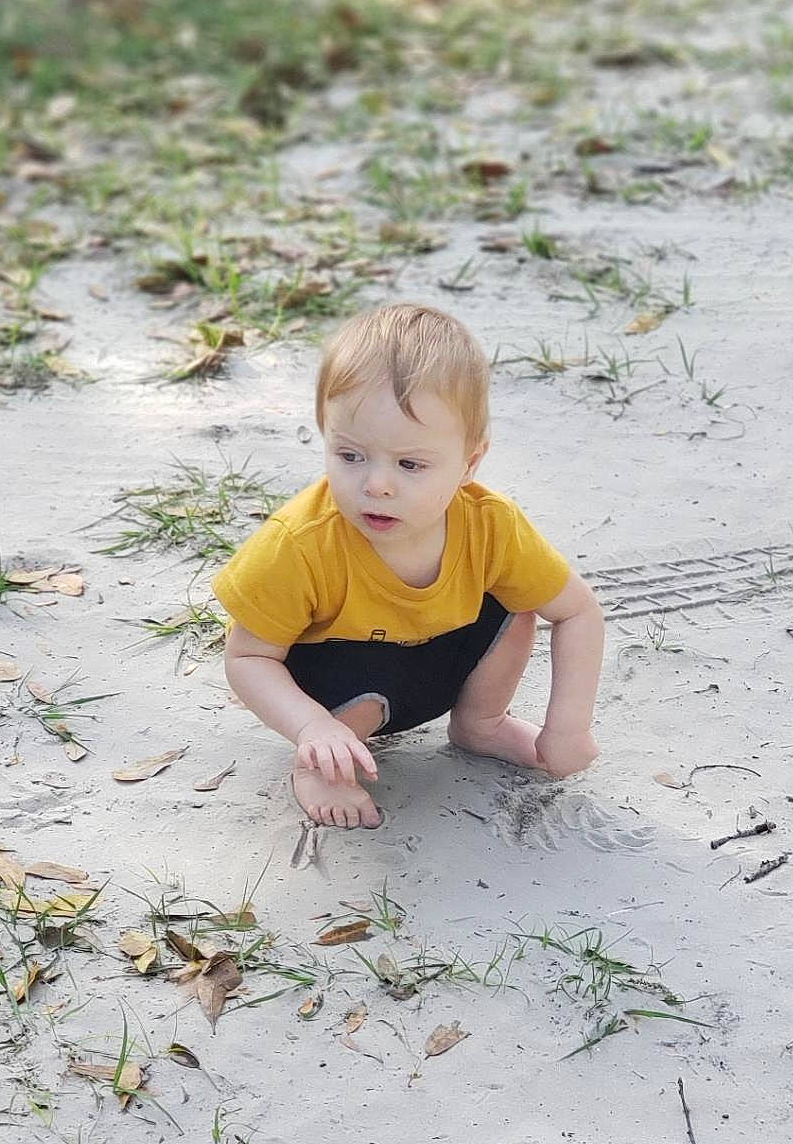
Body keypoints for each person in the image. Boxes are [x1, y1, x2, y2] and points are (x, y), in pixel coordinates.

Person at [212, 302, 604, 830]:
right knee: (363, 688)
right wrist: (310, 728)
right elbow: (249, 658)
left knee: (517, 607)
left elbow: (578, 613)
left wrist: (568, 727)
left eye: (410, 464)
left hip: (440, 658)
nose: (376, 484)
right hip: (341, 684)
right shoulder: (301, 542)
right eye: (350, 456)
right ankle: (325, 767)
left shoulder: (490, 526)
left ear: (470, 463)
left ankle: (482, 724)